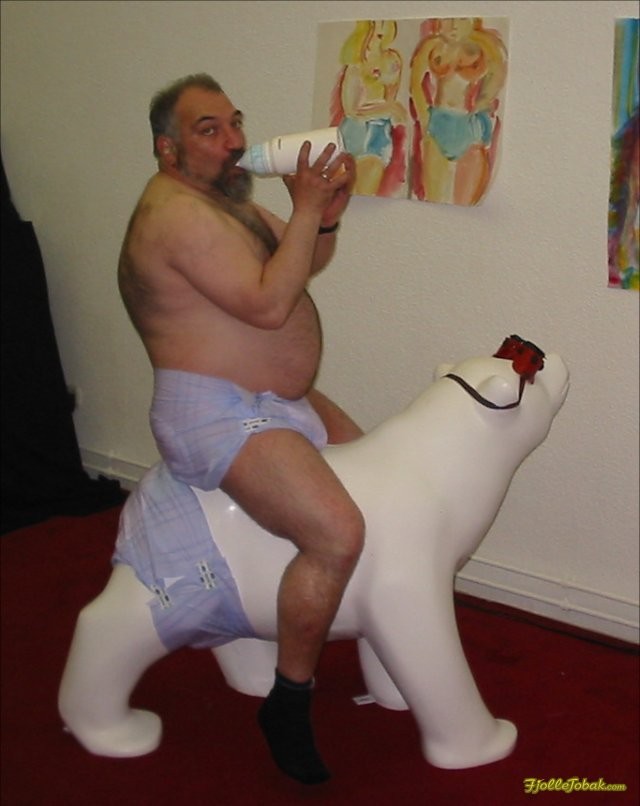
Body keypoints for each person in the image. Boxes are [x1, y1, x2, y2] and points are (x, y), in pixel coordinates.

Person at [117, 74, 364, 785]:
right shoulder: (174, 214)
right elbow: (267, 306)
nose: (233, 141)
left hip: (269, 398)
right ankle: (289, 700)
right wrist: (307, 205)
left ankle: (378, 631)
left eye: (234, 123)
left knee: (376, 466)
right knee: (338, 532)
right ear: (168, 149)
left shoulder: (225, 202)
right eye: (209, 130)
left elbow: (302, 262)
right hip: (211, 409)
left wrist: (323, 215)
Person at [409, 17, 507, 205]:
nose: (453, 26)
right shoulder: (432, 46)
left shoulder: (485, 45)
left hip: (470, 125)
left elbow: (498, 73)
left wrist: (483, 101)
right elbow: (415, 83)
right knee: (435, 199)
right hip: (439, 122)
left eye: (461, 20)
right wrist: (425, 117)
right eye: (448, 20)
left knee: (467, 202)